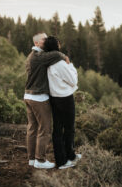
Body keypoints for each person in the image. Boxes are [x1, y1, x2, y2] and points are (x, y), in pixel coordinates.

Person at [24, 32, 68, 169]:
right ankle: (40, 160)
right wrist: (64, 56)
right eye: (44, 39)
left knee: (32, 128)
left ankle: (32, 159)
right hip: (38, 98)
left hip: (29, 96)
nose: (47, 40)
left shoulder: (31, 56)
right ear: (36, 43)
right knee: (45, 129)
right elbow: (55, 54)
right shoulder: (39, 57)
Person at [44, 36, 81, 169]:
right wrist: (69, 64)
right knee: (69, 128)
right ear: (57, 46)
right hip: (65, 98)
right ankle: (69, 157)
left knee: (58, 129)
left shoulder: (47, 62)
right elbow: (73, 81)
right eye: (59, 43)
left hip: (53, 98)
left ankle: (61, 160)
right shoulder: (60, 63)